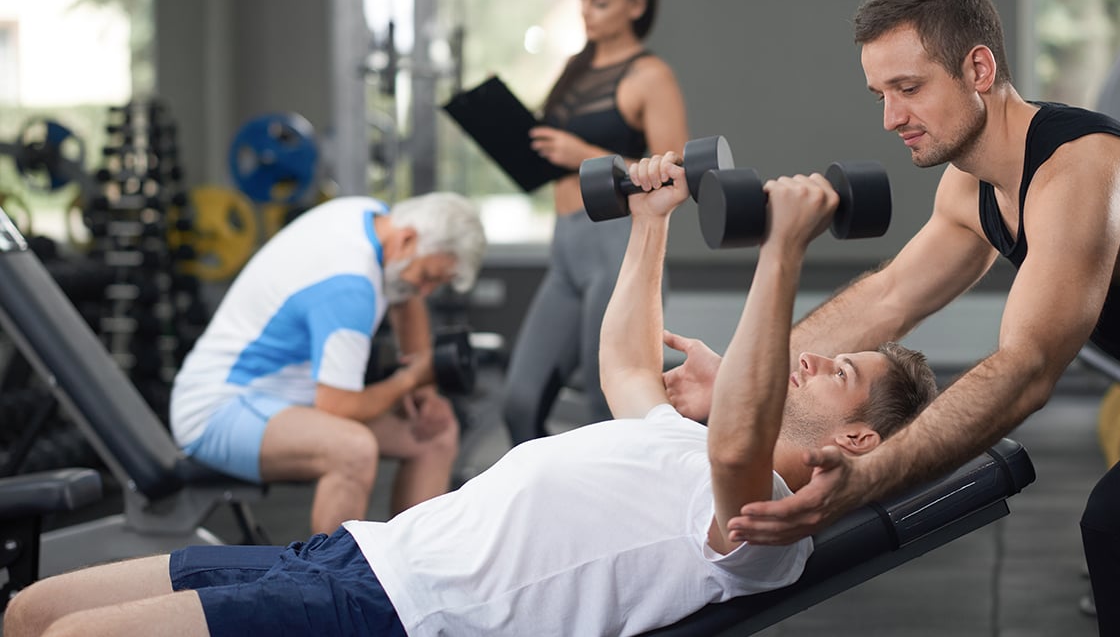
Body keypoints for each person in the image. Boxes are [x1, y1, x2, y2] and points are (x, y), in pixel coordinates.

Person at [4, 152, 937, 637]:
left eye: (841, 371)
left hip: (394, 616)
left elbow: (739, 441)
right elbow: (624, 365)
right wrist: (650, 222)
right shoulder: (682, 445)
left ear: (857, 441)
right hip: (354, 556)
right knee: (30, 612)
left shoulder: (764, 521)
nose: (815, 360)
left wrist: (782, 254)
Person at [660, 0, 1120, 636]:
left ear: (978, 69)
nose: (891, 118)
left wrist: (868, 477)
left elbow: (1026, 368)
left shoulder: (1080, 172)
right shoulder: (973, 189)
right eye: (880, 94)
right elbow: (887, 299)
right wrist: (741, 381)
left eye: (909, 88)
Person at [167, 192, 487, 535]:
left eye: (435, 283)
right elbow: (338, 406)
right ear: (407, 240)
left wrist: (425, 393)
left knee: (435, 433)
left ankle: (411, 561)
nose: (425, 291)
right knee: (352, 449)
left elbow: (406, 297)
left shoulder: (375, 217)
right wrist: (410, 379)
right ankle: (330, 570)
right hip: (218, 409)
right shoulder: (349, 286)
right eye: (427, 277)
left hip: (288, 401)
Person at [504, 0, 689, 444]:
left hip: (615, 246)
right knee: (520, 402)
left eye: (600, 2)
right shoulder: (575, 68)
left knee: (605, 409)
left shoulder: (650, 76)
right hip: (566, 244)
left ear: (636, 5)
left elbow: (676, 171)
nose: (586, 11)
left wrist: (583, 154)